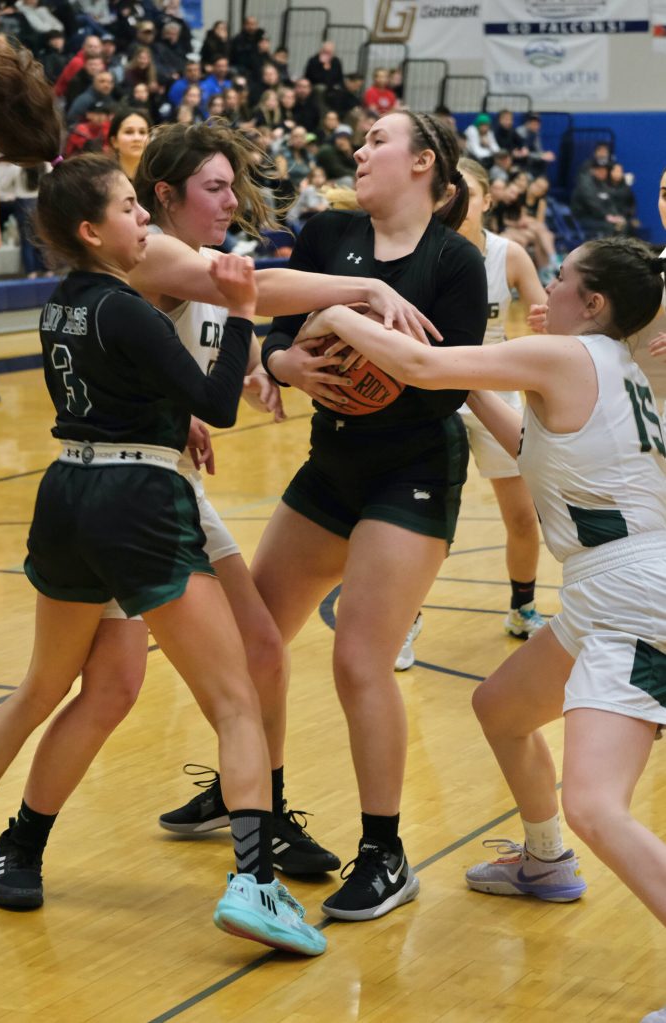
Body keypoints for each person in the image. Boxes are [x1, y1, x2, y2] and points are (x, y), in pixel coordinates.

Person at [0, 33, 327, 959]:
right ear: (95, 230)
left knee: (60, 685)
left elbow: (152, 390)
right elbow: (214, 394)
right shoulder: (132, 303)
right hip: (138, 502)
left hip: (66, 496)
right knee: (234, 702)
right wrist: (240, 310)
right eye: (135, 209)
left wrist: (192, 380)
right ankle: (254, 882)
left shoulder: (61, 299)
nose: (147, 222)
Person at [295, 234, 666, 1022]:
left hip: (634, 596)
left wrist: (334, 307)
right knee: (500, 708)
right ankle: (542, 860)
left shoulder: (568, 358)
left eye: (561, 278)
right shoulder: (605, 370)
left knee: (597, 804)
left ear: (592, 304)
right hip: (609, 592)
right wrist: (459, 388)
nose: (546, 288)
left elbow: (425, 366)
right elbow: (521, 443)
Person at [249, 111, 488, 922]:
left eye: (377, 141)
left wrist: (350, 329)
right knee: (253, 639)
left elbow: (448, 384)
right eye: (357, 140)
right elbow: (276, 336)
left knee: (359, 660)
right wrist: (284, 362)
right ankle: (263, 811)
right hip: (331, 463)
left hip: (412, 469)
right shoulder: (326, 234)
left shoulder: (455, 260)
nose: (357, 149)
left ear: (422, 163)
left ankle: (385, 853)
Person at [395, 158, 547, 670]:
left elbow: (549, 324)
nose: (460, 203)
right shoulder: (423, 252)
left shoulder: (510, 254)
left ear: (485, 200)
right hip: (440, 387)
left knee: (523, 515)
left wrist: (548, 320)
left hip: (496, 387)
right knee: (431, 516)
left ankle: (523, 607)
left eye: (470, 194)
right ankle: (404, 620)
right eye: (451, 194)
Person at [108, 107, 151, 181]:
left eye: (142, 132)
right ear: (114, 141)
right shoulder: (103, 179)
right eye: (129, 132)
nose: (137, 138)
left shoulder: (159, 177)